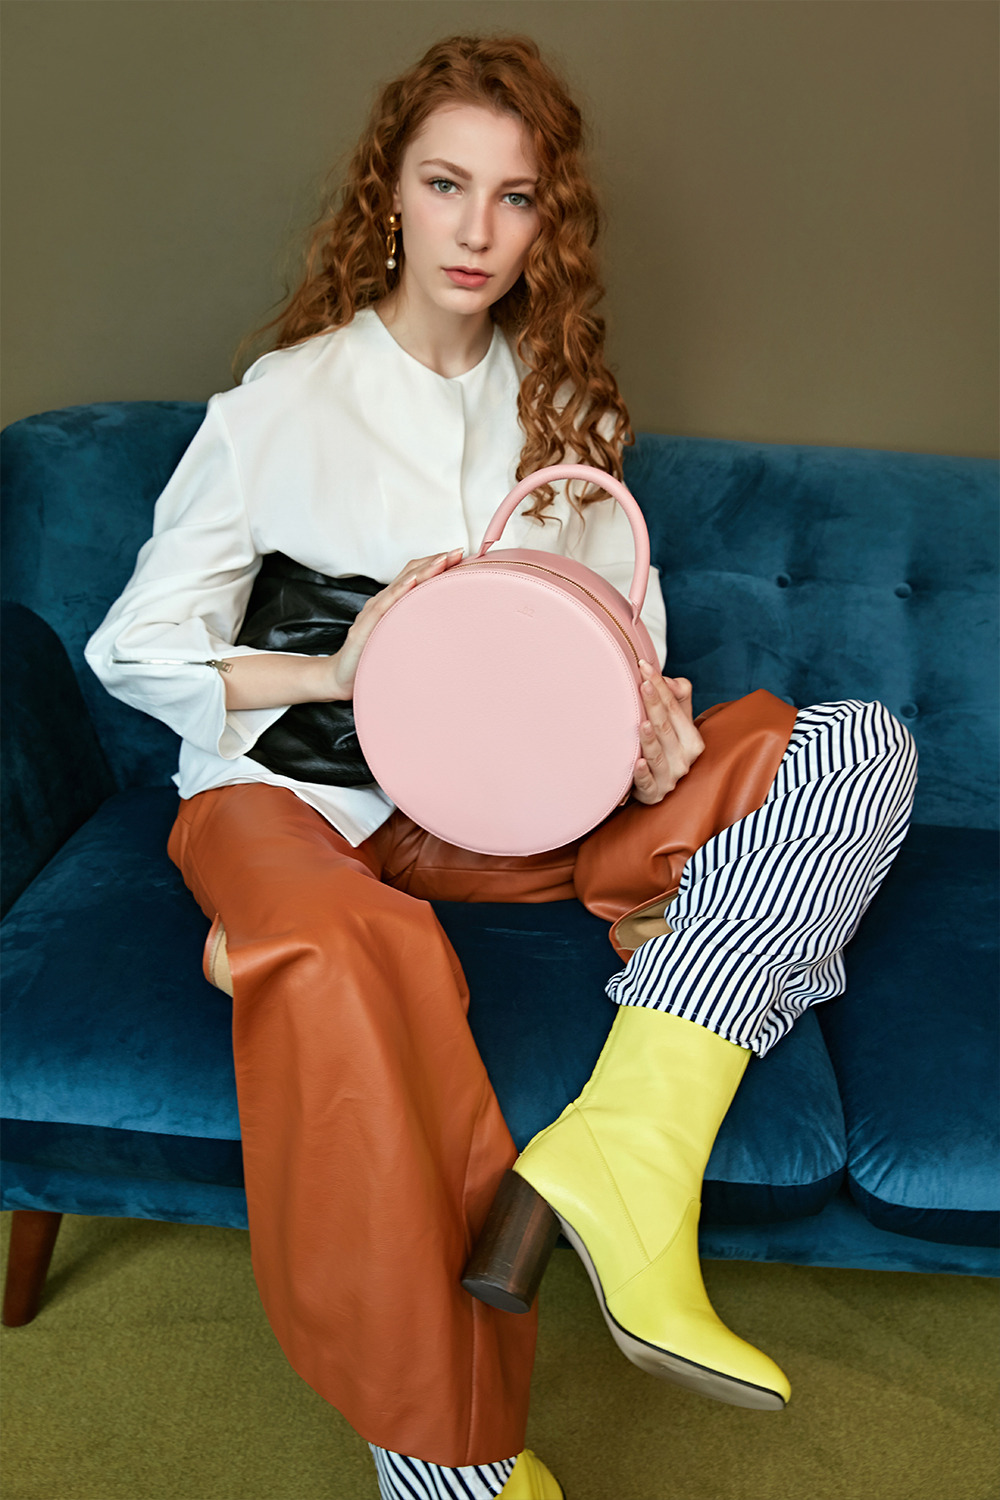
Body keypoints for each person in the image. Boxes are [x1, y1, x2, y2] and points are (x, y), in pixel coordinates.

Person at [85, 34, 917, 1500]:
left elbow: (626, 655)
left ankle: (625, 1157)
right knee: (350, 954)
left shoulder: (569, 416)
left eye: (516, 196)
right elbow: (133, 648)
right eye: (446, 184)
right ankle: (445, 1464)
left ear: (550, 223)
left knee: (856, 750)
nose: (477, 229)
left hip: (510, 823)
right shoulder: (283, 401)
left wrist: (655, 739)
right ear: (388, 196)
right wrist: (342, 665)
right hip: (294, 800)